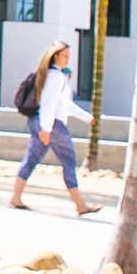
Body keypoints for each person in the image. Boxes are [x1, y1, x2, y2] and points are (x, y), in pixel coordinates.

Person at [9, 42, 100, 215]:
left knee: (31, 159)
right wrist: (46, 129)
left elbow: (62, 104)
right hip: (52, 125)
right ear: (56, 56)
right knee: (69, 161)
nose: (68, 59)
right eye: (65, 55)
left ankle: (16, 198)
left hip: (38, 121)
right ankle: (80, 205)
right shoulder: (56, 77)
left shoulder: (48, 75)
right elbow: (49, 104)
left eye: (69, 56)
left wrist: (86, 117)